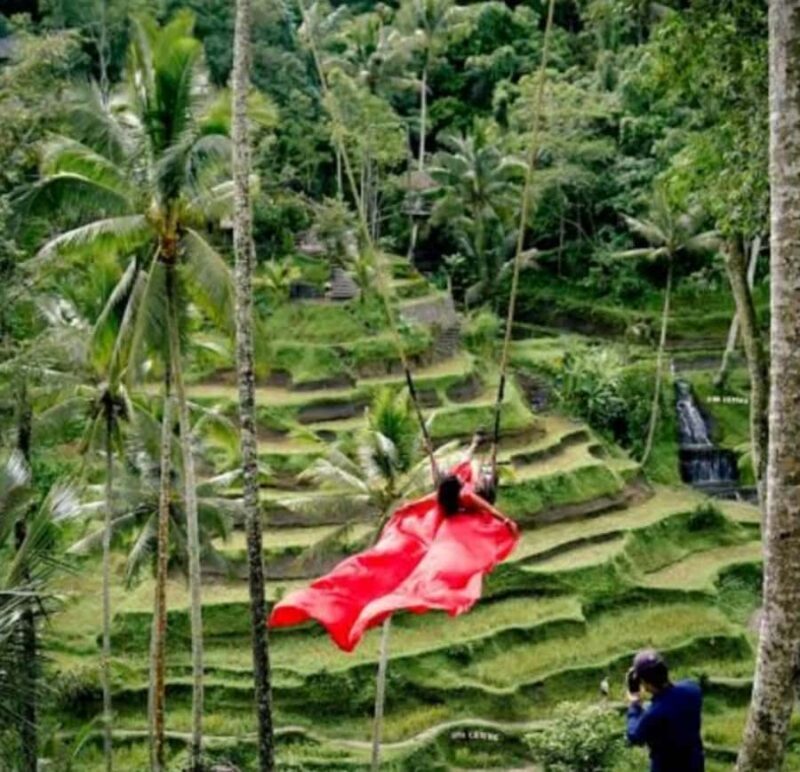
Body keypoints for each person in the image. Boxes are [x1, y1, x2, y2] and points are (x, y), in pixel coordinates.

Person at [626, 649, 705, 772]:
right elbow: (672, 701)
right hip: (694, 763)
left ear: (644, 683)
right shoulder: (693, 689)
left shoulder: (654, 714)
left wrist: (634, 704)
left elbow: (634, 736)